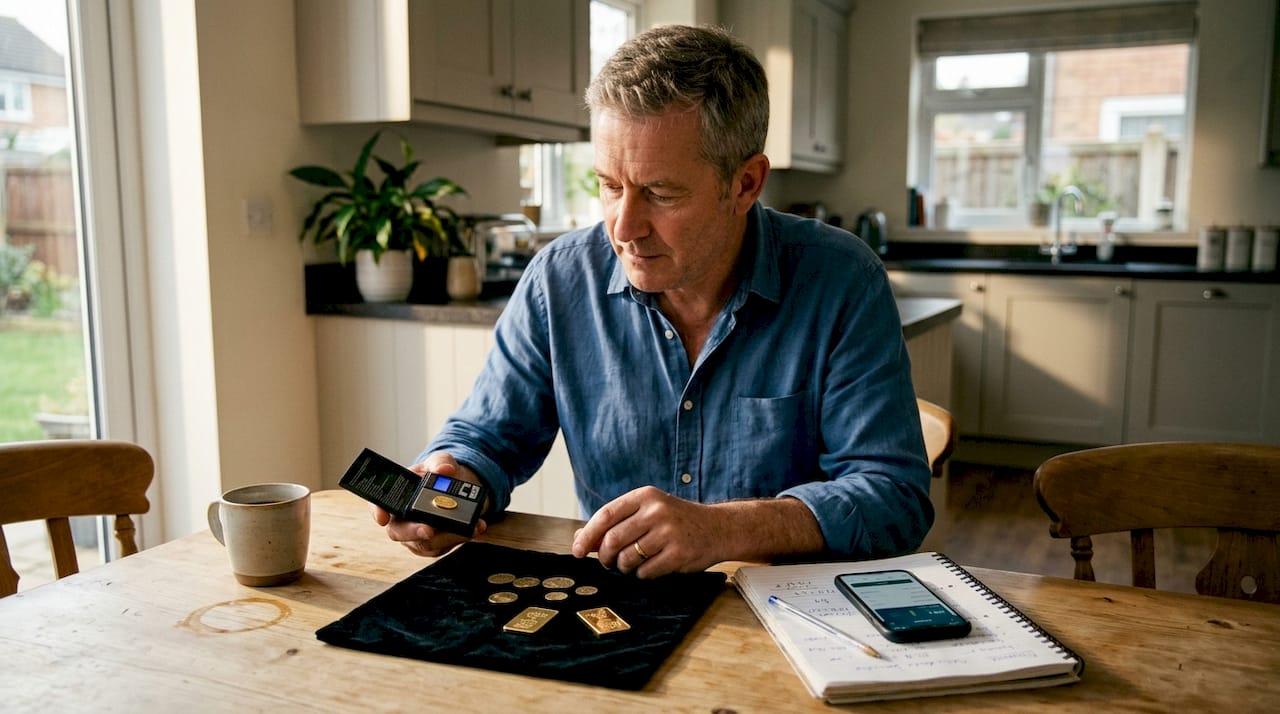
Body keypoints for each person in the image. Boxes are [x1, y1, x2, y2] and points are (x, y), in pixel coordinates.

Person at [373, 24, 933, 578]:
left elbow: (894, 496)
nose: (624, 227)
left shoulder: (842, 280)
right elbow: (488, 438)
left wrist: (725, 528)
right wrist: (453, 478)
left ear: (745, 184)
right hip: (616, 611)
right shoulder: (558, 281)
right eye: (610, 185)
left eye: (661, 194)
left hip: (790, 618)